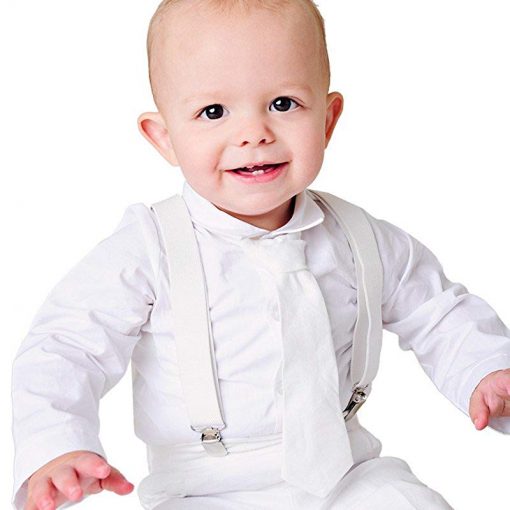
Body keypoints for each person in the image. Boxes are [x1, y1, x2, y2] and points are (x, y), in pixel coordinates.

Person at [11, 0, 510, 509]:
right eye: (213, 112)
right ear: (164, 138)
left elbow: (439, 312)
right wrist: (57, 446)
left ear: (328, 120)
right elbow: (66, 347)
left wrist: (488, 369)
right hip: (203, 488)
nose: (254, 133)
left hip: (348, 473)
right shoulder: (147, 248)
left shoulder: (362, 238)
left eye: (283, 104)